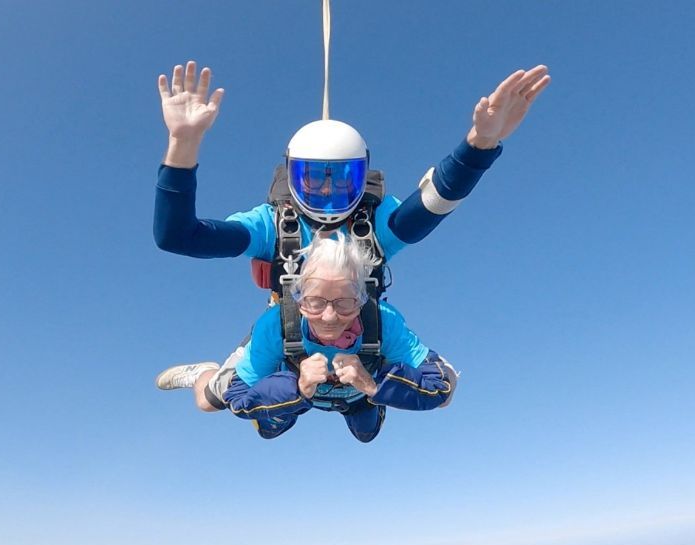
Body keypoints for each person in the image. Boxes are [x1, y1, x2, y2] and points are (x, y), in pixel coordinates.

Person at [153, 60, 549, 412]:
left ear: (363, 177)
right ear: (291, 176)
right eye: (313, 179)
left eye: (342, 180)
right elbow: (179, 236)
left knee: (363, 420)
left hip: (357, 334)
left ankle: (358, 401)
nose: (326, 193)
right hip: (291, 331)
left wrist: (481, 143)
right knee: (210, 400)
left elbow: (436, 201)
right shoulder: (273, 224)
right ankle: (206, 373)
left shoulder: (373, 221)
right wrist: (183, 143)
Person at [221, 233, 456, 442]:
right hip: (294, 387)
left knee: (367, 433)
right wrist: (297, 386)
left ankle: (369, 394)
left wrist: (373, 386)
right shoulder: (277, 324)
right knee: (268, 428)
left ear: (362, 301)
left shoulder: (382, 321)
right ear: (300, 301)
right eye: (315, 302)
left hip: (357, 397)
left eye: (345, 303)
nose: (330, 317)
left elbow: (440, 385)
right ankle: (213, 372)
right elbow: (238, 399)